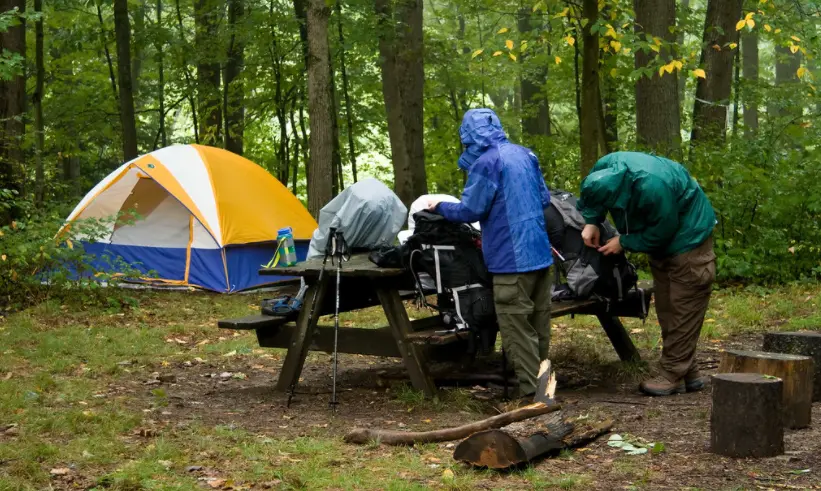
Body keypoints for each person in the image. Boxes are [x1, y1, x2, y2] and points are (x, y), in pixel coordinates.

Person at [425, 108, 553, 401]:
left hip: (511, 261)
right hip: (540, 254)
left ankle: (534, 397)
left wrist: (439, 206)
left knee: (516, 328)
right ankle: (544, 386)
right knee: (538, 325)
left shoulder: (486, 163)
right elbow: (544, 198)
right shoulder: (525, 155)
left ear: (467, 136)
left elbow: (471, 210)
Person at [577, 151, 717, 396]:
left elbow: (664, 229)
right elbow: (594, 202)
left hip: (688, 238)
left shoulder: (652, 187)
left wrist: (625, 242)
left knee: (683, 305)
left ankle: (672, 373)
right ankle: (688, 371)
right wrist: (592, 221)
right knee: (667, 306)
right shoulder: (604, 168)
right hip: (662, 243)